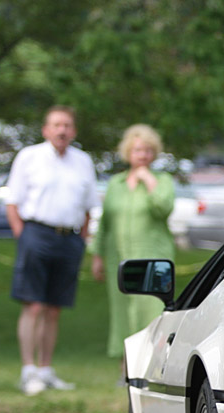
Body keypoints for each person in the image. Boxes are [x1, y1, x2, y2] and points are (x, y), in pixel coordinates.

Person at [7, 105, 98, 396]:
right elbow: (13, 203)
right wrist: (24, 238)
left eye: (67, 125)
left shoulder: (83, 161)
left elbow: (88, 206)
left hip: (69, 238)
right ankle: (28, 370)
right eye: (57, 125)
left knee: (54, 308)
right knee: (33, 304)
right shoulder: (29, 157)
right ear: (46, 130)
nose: (62, 130)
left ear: (74, 131)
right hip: (36, 233)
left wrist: (81, 239)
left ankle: (46, 369)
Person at [90, 124, 175, 359]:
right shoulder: (115, 184)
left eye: (148, 150)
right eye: (138, 150)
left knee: (151, 310)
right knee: (122, 312)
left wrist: (149, 181)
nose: (143, 155)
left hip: (153, 257)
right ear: (128, 152)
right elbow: (105, 221)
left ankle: (152, 363)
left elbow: (163, 208)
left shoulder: (162, 180)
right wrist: (97, 255)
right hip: (119, 257)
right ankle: (125, 364)